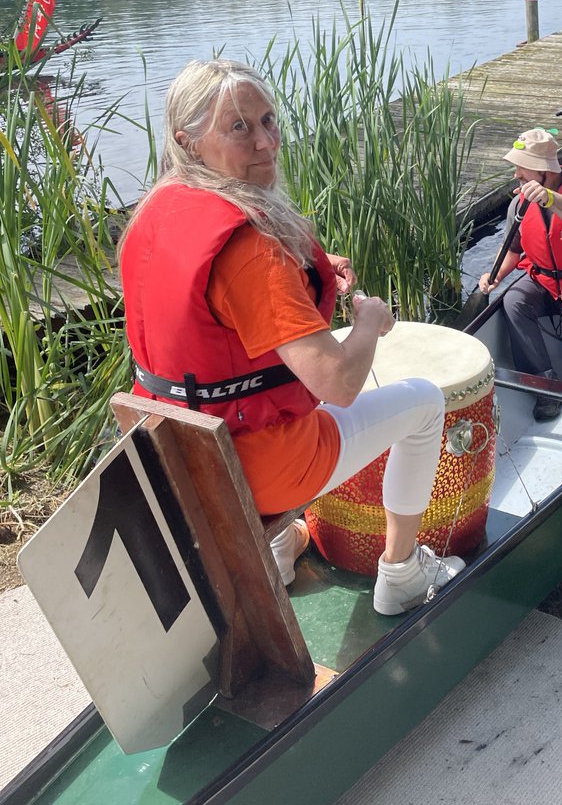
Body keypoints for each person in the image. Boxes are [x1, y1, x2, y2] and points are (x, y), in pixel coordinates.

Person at [119, 58, 463, 617]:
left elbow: (217, 319)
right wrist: (370, 320)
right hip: (260, 469)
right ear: (188, 141)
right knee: (424, 402)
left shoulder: (157, 212)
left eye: (268, 120)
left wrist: (311, 270)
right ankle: (401, 573)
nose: (266, 142)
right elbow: (339, 384)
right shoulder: (252, 252)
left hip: (180, 453)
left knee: (264, 391)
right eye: (239, 127)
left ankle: (279, 556)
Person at [478, 128, 562, 421]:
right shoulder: (519, 202)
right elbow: (513, 249)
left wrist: (550, 199)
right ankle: (545, 386)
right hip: (544, 280)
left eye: (522, 167)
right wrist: (495, 275)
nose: (516, 174)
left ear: (544, 169)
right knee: (513, 301)